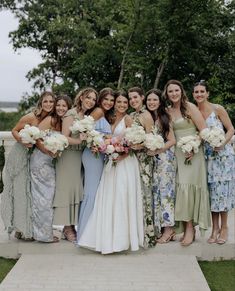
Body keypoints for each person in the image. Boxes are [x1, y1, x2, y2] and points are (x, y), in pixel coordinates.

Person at [78, 91, 144, 254]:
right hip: (109, 160)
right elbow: (96, 134)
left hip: (123, 162)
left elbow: (134, 142)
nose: (121, 105)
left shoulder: (128, 119)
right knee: (106, 197)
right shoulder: (110, 118)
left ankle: (121, 239)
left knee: (122, 197)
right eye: (118, 102)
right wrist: (98, 144)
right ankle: (101, 235)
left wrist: (122, 154)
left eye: (124, 102)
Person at [1, 91, 56, 240]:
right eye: (46, 101)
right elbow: (14, 130)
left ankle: (27, 228)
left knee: (29, 194)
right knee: (20, 192)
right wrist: (22, 141)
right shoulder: (31, 117)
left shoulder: (51, 119)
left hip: (33, 158)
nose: (49, 104)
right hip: (20, 155)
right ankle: (20, 229)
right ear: (41, 103)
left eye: (51, 102)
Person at [164, 79, 211, 246]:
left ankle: (190, 229)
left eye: (176, 90)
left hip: (193, 154)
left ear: (181, 91)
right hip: (178, 153)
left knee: (189, 188)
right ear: (167, 94)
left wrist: (193, 146)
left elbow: (203, 130)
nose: (174, 93)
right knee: (180, 189)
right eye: (170, 91)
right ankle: (184, 226)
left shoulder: (190, 107)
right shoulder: (168, 111)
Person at [53, 88, 97, 242]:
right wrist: (80, 141)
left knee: (77, 189)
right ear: (81, 97)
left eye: (93, 99)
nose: (90, 101)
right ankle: (67, 227)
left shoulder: (86, 117)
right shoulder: (70, 114)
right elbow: (64, 137)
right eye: (88, 97)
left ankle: (72, 225)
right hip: (68, 156)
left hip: (80, 157)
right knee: (67, 189)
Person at [193, 81, 234, 244]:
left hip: (223, 157)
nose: (199, 94)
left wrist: (222, 143)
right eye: (196, 92)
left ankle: (224, 228)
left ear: (207, 93)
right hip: (206, 158)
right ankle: (214, 228)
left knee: (222, 192)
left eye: (202, 91)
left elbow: (231, 129)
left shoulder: (218, 109)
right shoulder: (193, 112)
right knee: (211, 194)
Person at [30, 95, 72, 242]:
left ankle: (42, 231)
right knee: (43, 198)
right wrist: (47, 151)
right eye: (58, 105)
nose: (60, 108)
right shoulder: (50, 119)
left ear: (68, 108)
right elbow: (35, 137)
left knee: (46, 198)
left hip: (50, 163)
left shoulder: (64, 122)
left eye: (64, 106)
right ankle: (43, 236)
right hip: (41, 161)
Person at [77, 88, 114, 240]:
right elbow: (85, 128)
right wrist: (95, 141)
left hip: (99, 155)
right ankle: (84, 233)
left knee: (94, 191)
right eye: (106, 99)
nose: (109, 103)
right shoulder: (98, 111)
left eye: (112, 100)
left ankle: (89, 231)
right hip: (92, 155)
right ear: (100, 100)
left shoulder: (105, 114)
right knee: (91, 192)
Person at [145, 89, 176, 243]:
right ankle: (160, 227)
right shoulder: (148, 117)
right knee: (155, 193)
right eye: (149, 100)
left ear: (160, 102)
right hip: (152, 160)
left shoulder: (165, 117)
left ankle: (169, 229)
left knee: (165, 193)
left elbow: (172, 140)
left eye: (154, 100)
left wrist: (158, 149)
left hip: (165, 160)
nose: (151, 102)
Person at [128, 87, 156, 248]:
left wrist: (140, 145)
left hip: (144, 159)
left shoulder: (146, 115)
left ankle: (148, 234)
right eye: (130, 98)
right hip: (132, 159)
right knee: (136, 194)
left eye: (135, 97)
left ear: (142, 98)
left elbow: (152, 139)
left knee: (145, 195)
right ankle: (136, 232)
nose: (133, 100)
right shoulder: (132, 115)